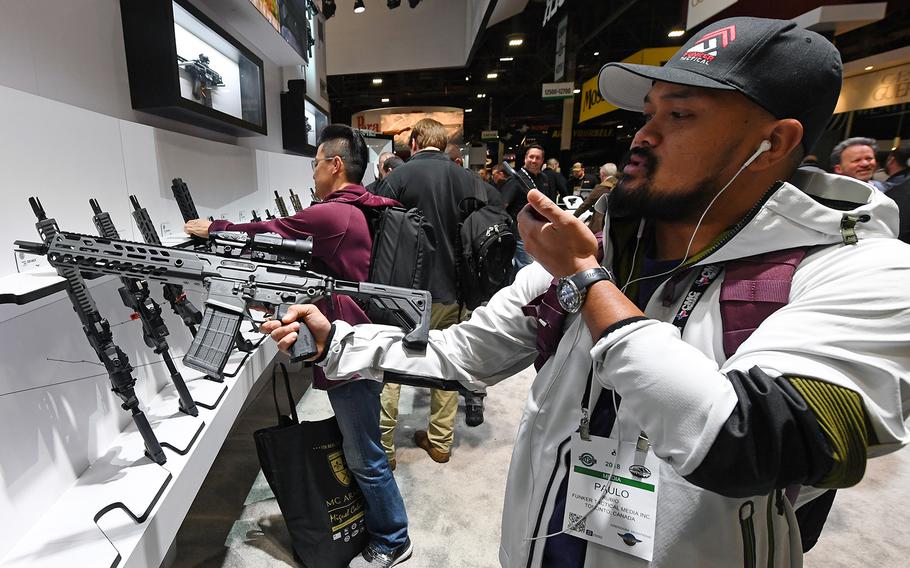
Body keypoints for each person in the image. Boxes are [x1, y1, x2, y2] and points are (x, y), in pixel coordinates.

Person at [263, 16, 910, 568]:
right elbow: (462, 352)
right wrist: (339, 340)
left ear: (775, 143)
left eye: (679, 116)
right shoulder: (598, 250)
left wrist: (587, 281)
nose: (642, 136)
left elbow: (745, 437)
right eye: (648, 111)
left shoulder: (862, 271)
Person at [187, 125, 413, 568]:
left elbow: (269, 230)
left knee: (364, 453)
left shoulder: (334, 214)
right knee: (359, 444)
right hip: (356, 338)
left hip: (350, 348)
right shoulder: (360, 210)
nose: (312, 173)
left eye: (315, 163)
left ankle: (393, 536)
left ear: (335, 164)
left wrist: (214, 227)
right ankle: (381, 522)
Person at [373, 119, 485, 465]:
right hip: (452, 288)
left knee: (390, 366)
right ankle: (440, 442)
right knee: (445, 362)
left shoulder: (399, 176)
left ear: (416, 141)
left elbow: (377, 224)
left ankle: (385, 449)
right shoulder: (467, 178)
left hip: (402, 288)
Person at [499, 144, 552, 274]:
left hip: (539, 231)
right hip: (521, 233)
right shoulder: (516, 180)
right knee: (526, 270)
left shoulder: (543, 179)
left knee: (535, 268)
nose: (534, 160)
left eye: (537, 158)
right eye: (531, 157)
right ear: (525, 159)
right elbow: (502, 206)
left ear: (542, 161)